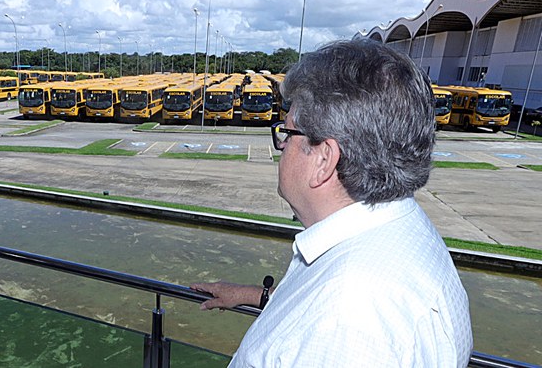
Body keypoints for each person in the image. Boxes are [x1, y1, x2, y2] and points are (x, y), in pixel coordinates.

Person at [191, 39, 472, 367]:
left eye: (287, 133)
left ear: (324, 159)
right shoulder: (395, 230)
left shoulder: (349, 315)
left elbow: (331, 323)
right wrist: (256, 296)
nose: (280, 146)